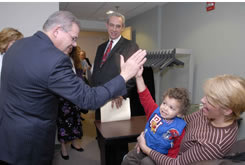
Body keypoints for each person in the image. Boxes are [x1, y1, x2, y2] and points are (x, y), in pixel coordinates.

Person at [0, 11, 146, 165]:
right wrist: (125, 75)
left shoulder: (16, 46)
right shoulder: (55, 59)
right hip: (30, 143)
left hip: (7, 135)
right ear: (57, 31)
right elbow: (88, 98)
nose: (75, 44)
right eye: (73, 38)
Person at [136, 74, 245, 165]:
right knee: (134, 156)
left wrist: (145, 147)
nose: (202, 100)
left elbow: (176, 163)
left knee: (145, 161)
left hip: (174, 159)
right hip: (170, 144)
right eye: (206, 96)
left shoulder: (214, 144)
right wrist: (152, 134)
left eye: (210, 100)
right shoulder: (209, 113)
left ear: (227, 111)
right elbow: (182, 122)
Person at [122, 66, 190, 165]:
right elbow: (145, 96)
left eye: (171, 108)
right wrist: (139, 77)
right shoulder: (155, 111)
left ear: (179, 113)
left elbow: (175, 150)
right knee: (128, 159)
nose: (165, 108)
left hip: (159, 158)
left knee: (146, 162)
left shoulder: (178, 129)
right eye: (164, 103)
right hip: (142, 148)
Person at [56, 46, 86, 160]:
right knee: (62, 122)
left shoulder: (75, 60)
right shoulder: (59, 58)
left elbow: (79, 77)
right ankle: (63, 147)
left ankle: (74, 142)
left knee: (75, 120)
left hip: (75, 96)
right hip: (62, 97)